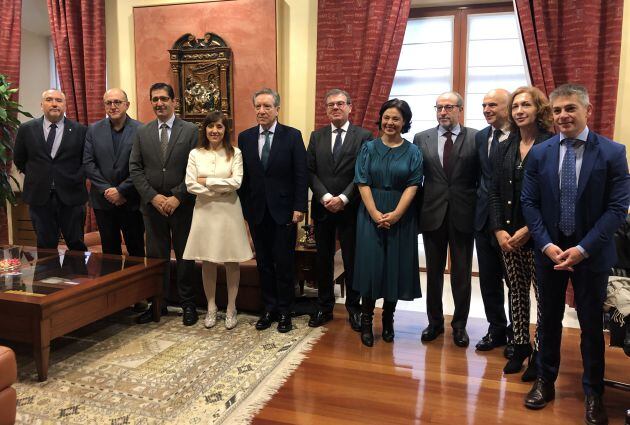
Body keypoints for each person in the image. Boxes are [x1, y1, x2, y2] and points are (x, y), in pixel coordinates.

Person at [521, 83, 629, 424]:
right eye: (556, 111)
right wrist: (546, 244)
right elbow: (529, 202)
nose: (563, 116)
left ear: (587, 111)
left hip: (592, 254)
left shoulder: (612, 152)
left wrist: (582, 250)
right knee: (548, 319)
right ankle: (544, 380)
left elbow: (617, 207)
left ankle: (593, 391)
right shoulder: (540, 152)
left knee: (590, 327)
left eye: (570, 108)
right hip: (549, 252)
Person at [488, 86, 554, 380]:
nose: (519, 111)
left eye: (526, 105)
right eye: (515, 106)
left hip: (540, 237)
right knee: (515, 292)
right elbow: (493, 192)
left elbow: (556, 196)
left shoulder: (552, 145)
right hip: (508, 237)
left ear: (538, 109)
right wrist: (499, 229)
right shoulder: (504, 145)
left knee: (543, 297)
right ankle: (519, 346)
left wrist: (530, 230)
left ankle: (541, 353)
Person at [237, 88, 308, 333]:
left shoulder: (292, 136)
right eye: (258, 106)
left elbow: (301, 174)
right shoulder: (245, 138)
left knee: (284, 263)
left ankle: (286, 311)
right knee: (264, 264)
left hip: (285, 211)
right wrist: (244, 211)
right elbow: (243, 179)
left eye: (267, 106)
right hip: (257, 212)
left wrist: (300, 207)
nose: (262, 111)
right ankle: (269, 309)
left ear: (278, 109)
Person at [353, 98, 422, 347]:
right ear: (380, 119)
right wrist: (374, 213)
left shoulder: (413, 151)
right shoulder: (368, 148)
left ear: (404, 122)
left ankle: (389, 319)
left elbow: (413, 185)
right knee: (371, 267)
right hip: (370, 214)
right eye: (387, 117)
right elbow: (362, 181)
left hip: (400, 216)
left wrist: (396, 214)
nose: (390, 122)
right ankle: (366, 321)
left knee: (394, 266)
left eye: (396, 118)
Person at [129, 82, 199, 326]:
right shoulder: (142, 132)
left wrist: (177, 196)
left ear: (173, 101)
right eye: (155, 99)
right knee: (157, 258)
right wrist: (154, 197)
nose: (159, 103)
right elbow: (135, 169)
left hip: (183, 206)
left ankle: (189, 304)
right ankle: (158, 304)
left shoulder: (190, 130)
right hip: (152, 208)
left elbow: (195, 169)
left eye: (163, 99)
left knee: (185, 257)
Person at [413, 91, 479, 348]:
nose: (443, 112)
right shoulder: (422, 138)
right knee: (433, 273)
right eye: (439, 108)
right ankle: (434, 322)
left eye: (449, 107)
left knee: (462, 274)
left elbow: (482, 178)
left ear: (460, 110)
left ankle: (460, 325)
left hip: (464, 214)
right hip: (432, 214)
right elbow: (416, 179)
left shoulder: (476, 137)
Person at [306, 89, 373, 331]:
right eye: (331, 104)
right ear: (326, 109)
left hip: (352, 208)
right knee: (322, 260)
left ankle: (354, 309)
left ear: (350, 107)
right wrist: (325, 196)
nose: (336, 107)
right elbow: (310, 171)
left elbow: (363, 172)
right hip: (323, 208)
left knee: (352, 260)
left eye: (340, 104)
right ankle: (324, 306)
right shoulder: (317, 136)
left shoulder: (364, 136)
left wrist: (343, 198)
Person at [183, 111, 253, 330]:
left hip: (229, 211)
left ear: (226, 130)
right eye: (210, 126)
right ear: (204, 129)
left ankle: (231, 308)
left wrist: (207, 181)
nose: (214, 131)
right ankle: (211, 307)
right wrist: (218, 186)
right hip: (204, 211)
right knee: (208, 260)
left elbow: (237, 182)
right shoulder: (195, 153)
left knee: (232, 260)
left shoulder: (236, 154)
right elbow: (190, 184)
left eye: (219, 127)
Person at [13, 89, 88, 251]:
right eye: (49, 100)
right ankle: (47, 276)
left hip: (72, 196)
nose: (54, 104)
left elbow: (86, 161)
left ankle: (77, 277)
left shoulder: (80, 130)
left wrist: (74, 178)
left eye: (59, 100)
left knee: (76, 245)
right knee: (45, 247)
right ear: (41, 105)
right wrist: (40, 176)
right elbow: (19, 159)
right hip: (39, 197)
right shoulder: (26, 129)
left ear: (65, 105)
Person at [83, 88, 145, 257]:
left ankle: (136, 284)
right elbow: (88, 164)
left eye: (117, 102)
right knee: (110, 253)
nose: (113, 106)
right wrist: (108, 191)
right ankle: (113, 284)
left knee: (136, 250)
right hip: (103, 202)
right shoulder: (93, 130)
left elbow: (143, 166)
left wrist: (121, 190)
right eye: (108, 103)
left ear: (127, 105)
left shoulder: (142, 130)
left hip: (131, 200)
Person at [474, 88, 511, 352]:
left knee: (515, 284)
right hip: (482, 220)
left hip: (511, 224)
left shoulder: (523, 137)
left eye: (493, 105)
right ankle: (496, 328)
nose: (487, 110)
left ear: (507, 107)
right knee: (488, 280)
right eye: (484, 105)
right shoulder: (481, 137)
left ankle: (516, 334)